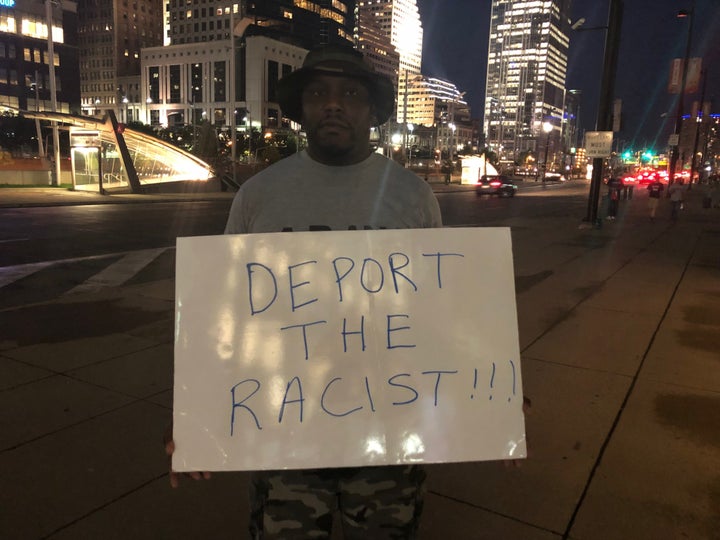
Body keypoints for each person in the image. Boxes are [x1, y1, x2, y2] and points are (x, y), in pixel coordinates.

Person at [166, 44, 442, 539]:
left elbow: (441, 313)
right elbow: (225, 314)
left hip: (385, 438)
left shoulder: (413, 196)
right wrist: (194, 415)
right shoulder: (258, 196)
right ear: (301, 109)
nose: (334, 104)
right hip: (283, 436)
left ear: (373, 111)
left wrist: (495, 396)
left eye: (351, 93)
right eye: (319, 93)